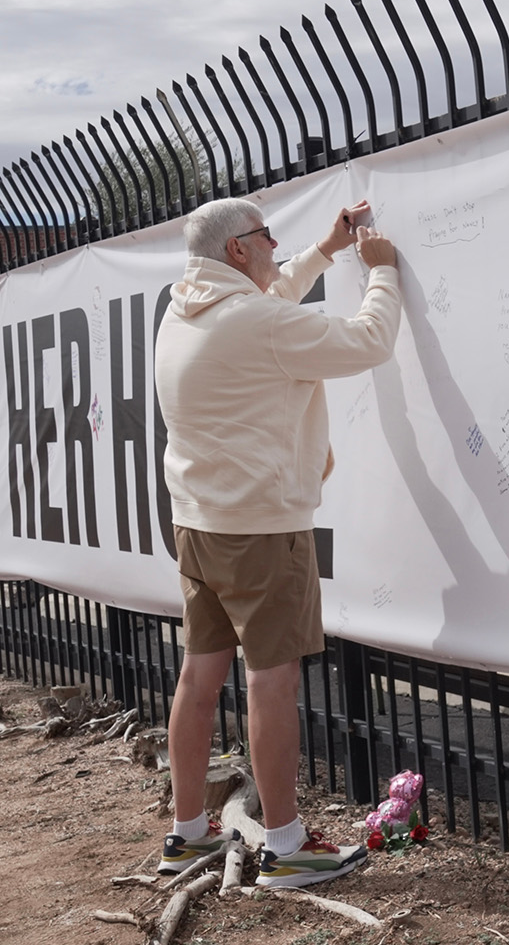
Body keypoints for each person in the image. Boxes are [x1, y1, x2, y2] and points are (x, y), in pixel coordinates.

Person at [153, 196, 402, 888]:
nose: (274, 246)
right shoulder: (254, 320)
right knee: (271, 681)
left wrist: (324, 251)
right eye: (266, 237)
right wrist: (380, 273)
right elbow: (366, 343)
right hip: (259, 529)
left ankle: (187, 833)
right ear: (238, 250)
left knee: (200, 677)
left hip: (199, 522)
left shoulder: (183, 309)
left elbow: (268, 300)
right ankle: (288, 847)